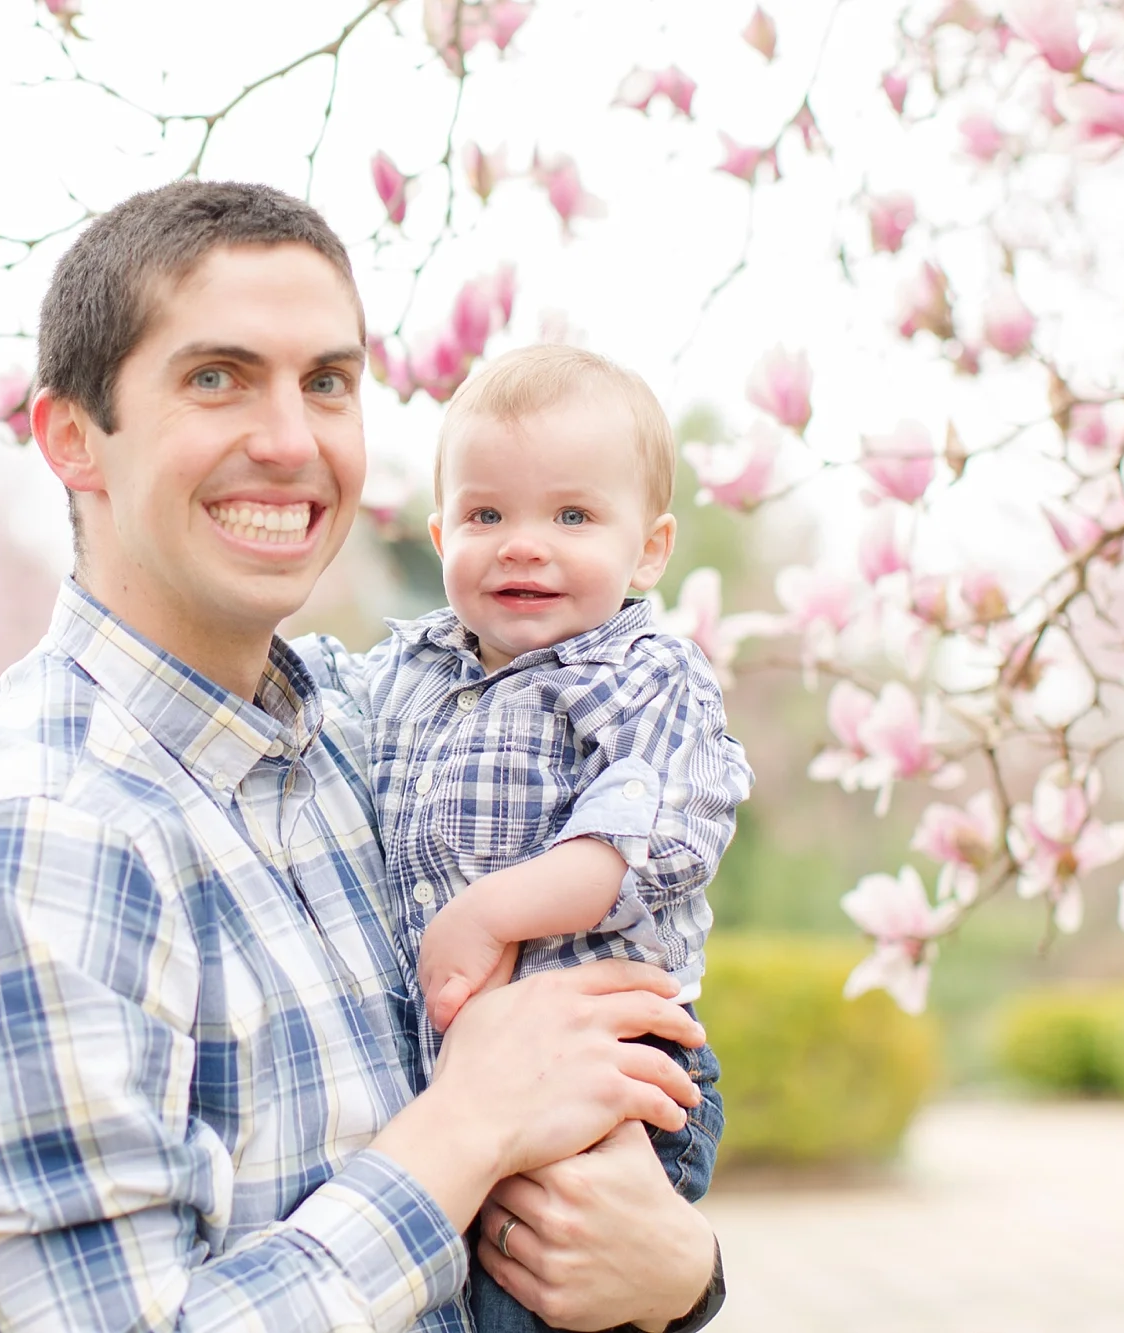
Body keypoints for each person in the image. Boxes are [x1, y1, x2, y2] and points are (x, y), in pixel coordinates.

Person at [0, 179, 726, 1332]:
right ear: (70, 438)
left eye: (327, 384)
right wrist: (462, 1127)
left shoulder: (372, 736)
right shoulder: (35, 836)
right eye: (216, 378)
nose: (290, 442)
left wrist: (679, 1273)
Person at [298, 344, 752, 1332]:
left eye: (572, 515)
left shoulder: (643, 677)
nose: (521, 544)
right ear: (440, 530)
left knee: (540, 1288)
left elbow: (645, 836)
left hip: (607, 1066)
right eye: (485, 515)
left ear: (648, 549)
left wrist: (490, 910)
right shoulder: (405, 672)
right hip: (459, 1078)